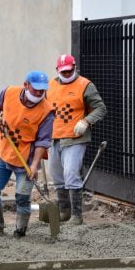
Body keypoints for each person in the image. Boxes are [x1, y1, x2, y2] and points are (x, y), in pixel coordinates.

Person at [0, 71, 54, 236]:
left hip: (26, 159)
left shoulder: (47, 111)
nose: (39, 93)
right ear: (26, 85)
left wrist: (35, 165)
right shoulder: (9, 93)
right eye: (36, 89)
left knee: (22, 197)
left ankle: (20, 231)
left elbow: (42, 142)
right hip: (3, 153)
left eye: (42, 90)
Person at [47, 54, 106, 225]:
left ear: (75, 67)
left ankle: (77, 215)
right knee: (57, 175)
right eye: (63, 72)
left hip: (75, 137)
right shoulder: (50, 85)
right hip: (54, 136)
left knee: (71, 173)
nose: (66, 74)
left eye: (69, 71)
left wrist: (86, 121)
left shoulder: (85, 85)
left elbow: (100, 108)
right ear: (57, 70)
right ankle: (64, 211)